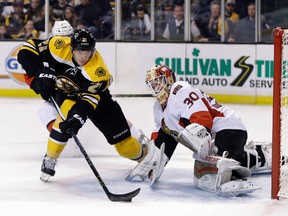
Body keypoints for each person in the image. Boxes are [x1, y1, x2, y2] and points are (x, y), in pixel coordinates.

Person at [17, 28, 153, 182]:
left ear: (93, 50)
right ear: (71, 48)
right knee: (61, 126)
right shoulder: (59, 45)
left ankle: (145, 156)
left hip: (100, 100)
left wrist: (78, 118)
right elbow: (26, 50)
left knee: (125, 147)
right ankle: (50, 158)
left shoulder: (97, 70)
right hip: (69, 94)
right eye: (80, 51)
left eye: (87, 52)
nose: (84, 56)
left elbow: (88, 101)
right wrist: (39, 73)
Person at [127, 64, 272, 196]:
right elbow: (162, 137)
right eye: (151, 85)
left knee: (208, 175)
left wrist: (206, 147)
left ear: (168, 80)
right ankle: (261, 156)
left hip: (229, 128)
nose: (155, 88)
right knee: (204, 171)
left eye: (157, 83)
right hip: (214, 139)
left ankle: (232, 174)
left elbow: (202, 118)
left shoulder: (179, 89)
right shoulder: (158, 109)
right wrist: (154, 158)